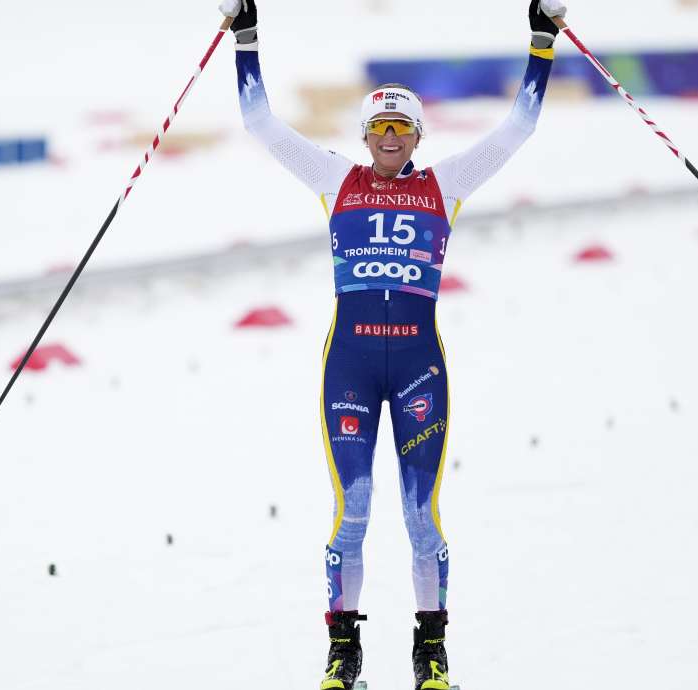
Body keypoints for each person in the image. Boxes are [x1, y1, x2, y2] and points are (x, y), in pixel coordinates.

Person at [217, 1, 565, 688]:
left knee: (420, 518)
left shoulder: (446, 186)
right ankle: (342, 651)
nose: (388, 138)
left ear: (417, 137)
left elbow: (519, 127)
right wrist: (246, 34)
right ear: (365, 133)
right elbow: (259, 121)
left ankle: (429, 650)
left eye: (401, 128)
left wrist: (542, 37)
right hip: (347, 364)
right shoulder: (333, 180)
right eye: (379, 127)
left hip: (416, 369)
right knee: (353, 511)